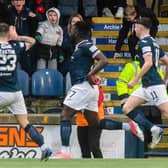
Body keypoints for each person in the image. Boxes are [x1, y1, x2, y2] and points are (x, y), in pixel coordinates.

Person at [0, 22, 52, 160]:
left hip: (1, 92)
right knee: (25, 123)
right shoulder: (16, 46)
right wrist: (17, 37)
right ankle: (44, 147)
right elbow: (33, 40)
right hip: (16, 93)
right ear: (9, 34)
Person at [122, 17, 168, 149]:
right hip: (147, 86)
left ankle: (154, 129)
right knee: (127, 108)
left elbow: (148, 63)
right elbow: (167, 61)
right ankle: (154, 129)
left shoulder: (145, 43)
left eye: (135, 26)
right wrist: (164, 80)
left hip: (153, 85)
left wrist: (135, 79)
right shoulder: (154, 42)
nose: (134, 29)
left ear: (140, 27)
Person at [76, 77, 144, 158]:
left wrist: (81, 105)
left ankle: (128, 126)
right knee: (84, 150)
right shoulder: (78, 83)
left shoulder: (92, 82)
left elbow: (99, 99)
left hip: (95, 118)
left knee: (94, 147)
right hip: (81, 121)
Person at [116, 58, 163, 152]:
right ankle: (142, 156)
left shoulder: (155, 67)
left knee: (154, 133)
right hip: (139, 106)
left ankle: (145, 153)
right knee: (143, 135)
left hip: (154, 107)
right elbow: (121, 82)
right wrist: (125, 98)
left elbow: (161, 85)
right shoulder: (131, 66)